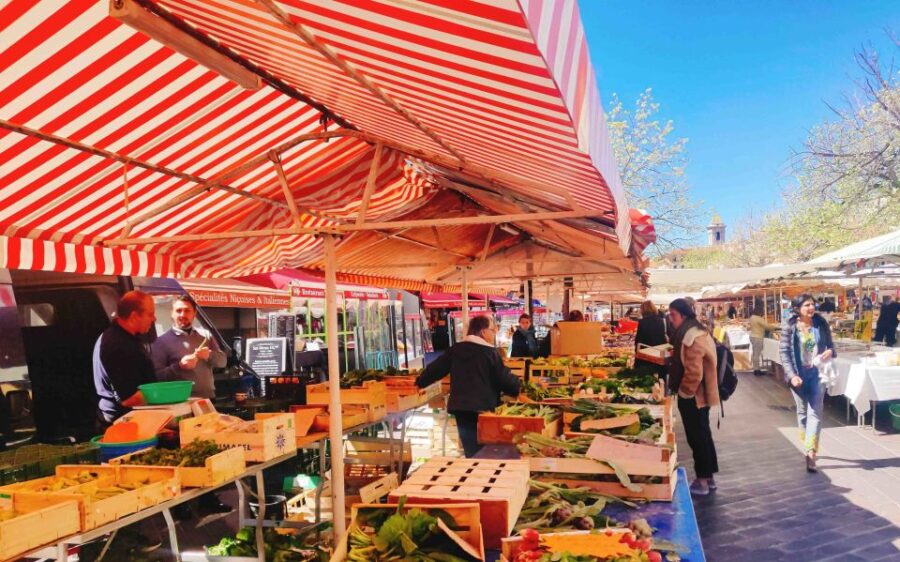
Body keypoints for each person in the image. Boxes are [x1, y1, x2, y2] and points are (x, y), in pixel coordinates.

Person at [415, 315, 521, 457]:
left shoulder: (456, 349)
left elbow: (436, 369)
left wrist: (420, 382)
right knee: (486, 449)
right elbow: (503, 378)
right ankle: (482, 475)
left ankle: (474, 472)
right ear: (483, 332)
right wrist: (518, 387)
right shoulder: (489, 353)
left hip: (461, 408)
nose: (493, 333)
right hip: (483, 409)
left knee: (471, 449)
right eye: (492, 330)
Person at [667, 298, 719, 496]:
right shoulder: (697, 331)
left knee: (697, 437)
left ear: (683, 314)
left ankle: (702, 480)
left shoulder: (691, 336)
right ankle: (709, 477)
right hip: (702, 395)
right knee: (704, 435)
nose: (671, 320)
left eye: (673, 315)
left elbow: (694, 372)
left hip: (695, 397)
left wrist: (685, 392)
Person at [780, 293, 836, 473]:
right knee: (802, 412)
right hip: (798, 375)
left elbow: (831, 346)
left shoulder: (820, 323)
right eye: (807, 305)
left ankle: (811, 453)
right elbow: (784, 353)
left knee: (815, 412)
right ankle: (807, 444)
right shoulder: (789, 327)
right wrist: (791, 375)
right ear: (797, 309)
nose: (811, 308)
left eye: (812, 304)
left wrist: (831, 352)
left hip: (817, 374)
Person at [93, 291, 157, 424]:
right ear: (134, 316)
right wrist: (167, 394)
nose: (154, 319)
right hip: (123, 421)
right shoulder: (118, 345)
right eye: (150, 314)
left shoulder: (124, 337)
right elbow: (128, 398)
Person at [151, 295, 226, 400]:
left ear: (194, 314)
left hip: (207, 398)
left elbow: (223, 362)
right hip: (180, 401)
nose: (182, 314)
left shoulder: (206, 337)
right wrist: (179, 366)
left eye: (187, 311)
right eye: (178, 310)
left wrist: (210, 355)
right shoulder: (161, 342)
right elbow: (156, 377)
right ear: (172, 313)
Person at [634, 300, 667, 375]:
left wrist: (636, 352)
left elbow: (639, 340)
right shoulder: (662, 321)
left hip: (646, 354)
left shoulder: (642, 322)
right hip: (659, 353)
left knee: (647, 375)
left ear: (643, 310)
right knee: (659, 375)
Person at [749, 303, 778, 376]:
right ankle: (757, 370)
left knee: (755, 353)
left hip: (752, 336)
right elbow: (767, 326)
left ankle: (755, 368)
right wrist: (776, 327)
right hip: (758, 337)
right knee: (757, 354)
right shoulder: (758, 318)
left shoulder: (752, 317)